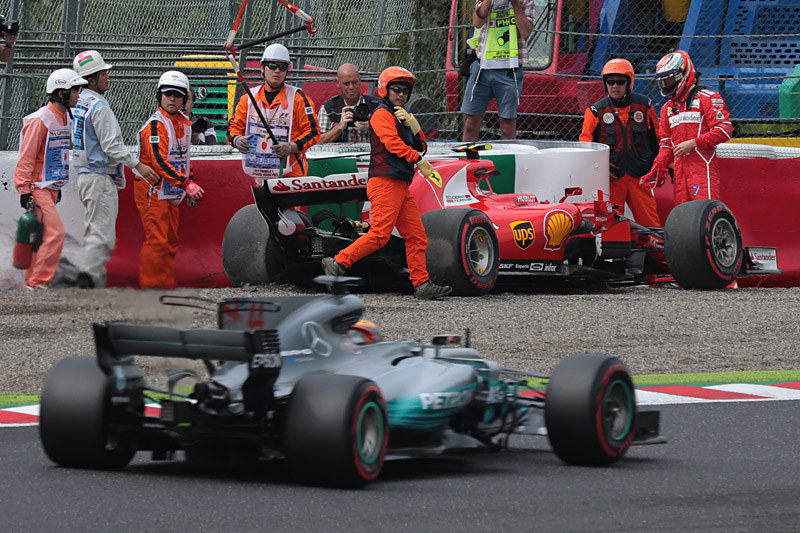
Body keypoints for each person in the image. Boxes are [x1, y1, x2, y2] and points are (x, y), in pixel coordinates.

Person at [321, 66, 451, 300]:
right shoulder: (381, 115)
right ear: (385, 90)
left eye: (405, 91)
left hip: (399, 184)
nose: (401, 94)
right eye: (396, 89)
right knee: (380, 234)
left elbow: (420, 145)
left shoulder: (398, 116)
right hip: (385, 182)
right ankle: (338, 262)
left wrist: (414, 125)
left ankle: (421, 285)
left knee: (416, 236)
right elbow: (394, 145)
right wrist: (417, 160)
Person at [71, 49, 159, 289]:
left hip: (86, 175)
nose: (107, 77)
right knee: (103, 237)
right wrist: (138, 165)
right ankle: (87, 283)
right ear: (91, 79)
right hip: (99, 177)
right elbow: (112, 145)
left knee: (94, 232)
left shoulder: (78, 103)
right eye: (102, 73)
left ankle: (85, 280)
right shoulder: (99, 106)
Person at [14, 68, 87, 290]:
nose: (78, 95)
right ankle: (38, 282)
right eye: (75, 90)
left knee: (39, 237)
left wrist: (57, 183)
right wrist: (24, 190)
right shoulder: (41, 120)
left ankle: (31, 282)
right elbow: (26, 158)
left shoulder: (65, 116)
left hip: (49, 187)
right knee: (55, 234)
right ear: (61, 93)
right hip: (37, 187)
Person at [133, 70, 205, 289]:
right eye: (167, 94)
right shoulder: (156, 125)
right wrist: (187, 184)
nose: (172, 98)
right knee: (157, 240)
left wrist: (188, 182)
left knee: (171, 239)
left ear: (184, 98)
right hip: (152, 189)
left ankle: (163, 284)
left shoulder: (182, 122)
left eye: (177, 94)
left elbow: (184, 158)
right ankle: (151, 288)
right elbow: (158, 162)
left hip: (171, 189)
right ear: (160, 96)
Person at [640, 50, 734, 205]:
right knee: (684, 219)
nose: (666, 86)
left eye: (669, 81)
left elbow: (725, 130)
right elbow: (666, 144)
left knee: (705, 214)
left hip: (702, 168)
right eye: (663, 82)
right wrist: (657, 166)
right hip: (679, 172)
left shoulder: (708, 98)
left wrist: (694, 143)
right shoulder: (666, 109)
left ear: (684, 73)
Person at [579, 58, 661, 227]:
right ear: (605, 83)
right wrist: (600, 170)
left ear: (629, 83)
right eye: (610, 82)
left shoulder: (644, 106)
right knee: (611, 224)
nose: (615, 86)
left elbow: (659, 138)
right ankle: (614, 254)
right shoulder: (595, 111)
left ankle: (656, 253)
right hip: (612, 179)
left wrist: (663, 166)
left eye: (620, 82)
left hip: (640, 176)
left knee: (650, 223)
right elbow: (586, 148)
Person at [227, 43, 320, 184]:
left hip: (291, 175)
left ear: (286, 71)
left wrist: (292, 146)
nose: (277, 70)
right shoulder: (249, 98)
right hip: (260, 173)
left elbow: (313, 132)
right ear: (262, 68)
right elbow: (233, 129)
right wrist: (236, 140)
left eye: (282, 67)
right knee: (263, 207)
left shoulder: (298, 98)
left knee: (290, 207)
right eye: (272, 66)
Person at [460, 0, 536, 142]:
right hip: (482, 67)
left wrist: (515, 4)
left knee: (507, 125)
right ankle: (468, 162)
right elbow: (477, 22)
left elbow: (526, 32)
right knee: (471, 122)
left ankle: (506, 162)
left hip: (510, 68)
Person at [318, 63, 382, 144]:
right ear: (338, 83)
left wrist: (373, 127)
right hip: (338, 155)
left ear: (360, 80)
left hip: (370, 155)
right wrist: (339, 127)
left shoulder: (377, 105)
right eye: (346, 83)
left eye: (354, 82)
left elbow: (393, 135)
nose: (351, 87)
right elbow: (318, 141)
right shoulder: (329, 108)